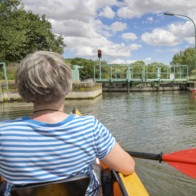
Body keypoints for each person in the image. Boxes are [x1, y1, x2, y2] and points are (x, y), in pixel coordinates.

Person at [0, 51, 135, 195]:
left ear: (22, 88)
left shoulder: (3, 133)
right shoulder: (89, 127)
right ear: (67, 85)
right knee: (96, 165)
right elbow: (128, 167)